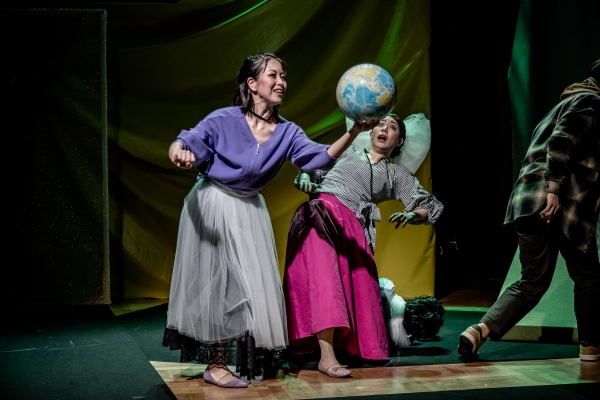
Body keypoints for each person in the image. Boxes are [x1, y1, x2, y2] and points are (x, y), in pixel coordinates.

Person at [161, 52, 379, 388]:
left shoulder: (287, 132)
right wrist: (178, 151)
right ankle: (216, 365)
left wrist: (353, 133)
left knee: (247, 289)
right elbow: (187, 141)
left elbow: (318, 157)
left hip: (249, 208)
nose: (281, 82)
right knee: (223, 286)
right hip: (213, 203)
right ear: (252, 83)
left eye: (283, 76)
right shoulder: (224, 120)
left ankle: (228, 362)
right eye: (273, 75)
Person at [458, 59, 600, 361]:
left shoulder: (559, 106)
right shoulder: (591, 101)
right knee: (587, 275)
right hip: (561, 200)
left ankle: (479, 330)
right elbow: (561, 142)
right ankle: (591, 347)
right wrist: (553, 189)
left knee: (532, 281)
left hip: (526, 199)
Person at [283, 114, 444, 378]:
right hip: (319, 216)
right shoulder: (347, 153)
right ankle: (326, 356)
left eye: (392, 127)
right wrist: (304, 177)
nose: (384, 128)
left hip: (352, 230)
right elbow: (313, 166)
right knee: (324, 281)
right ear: (370, 133)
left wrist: (413, 214)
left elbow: (431, 205)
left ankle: (335, 347)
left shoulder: (395, 174)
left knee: (343, 286)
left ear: (399, 141)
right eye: (381, 124)